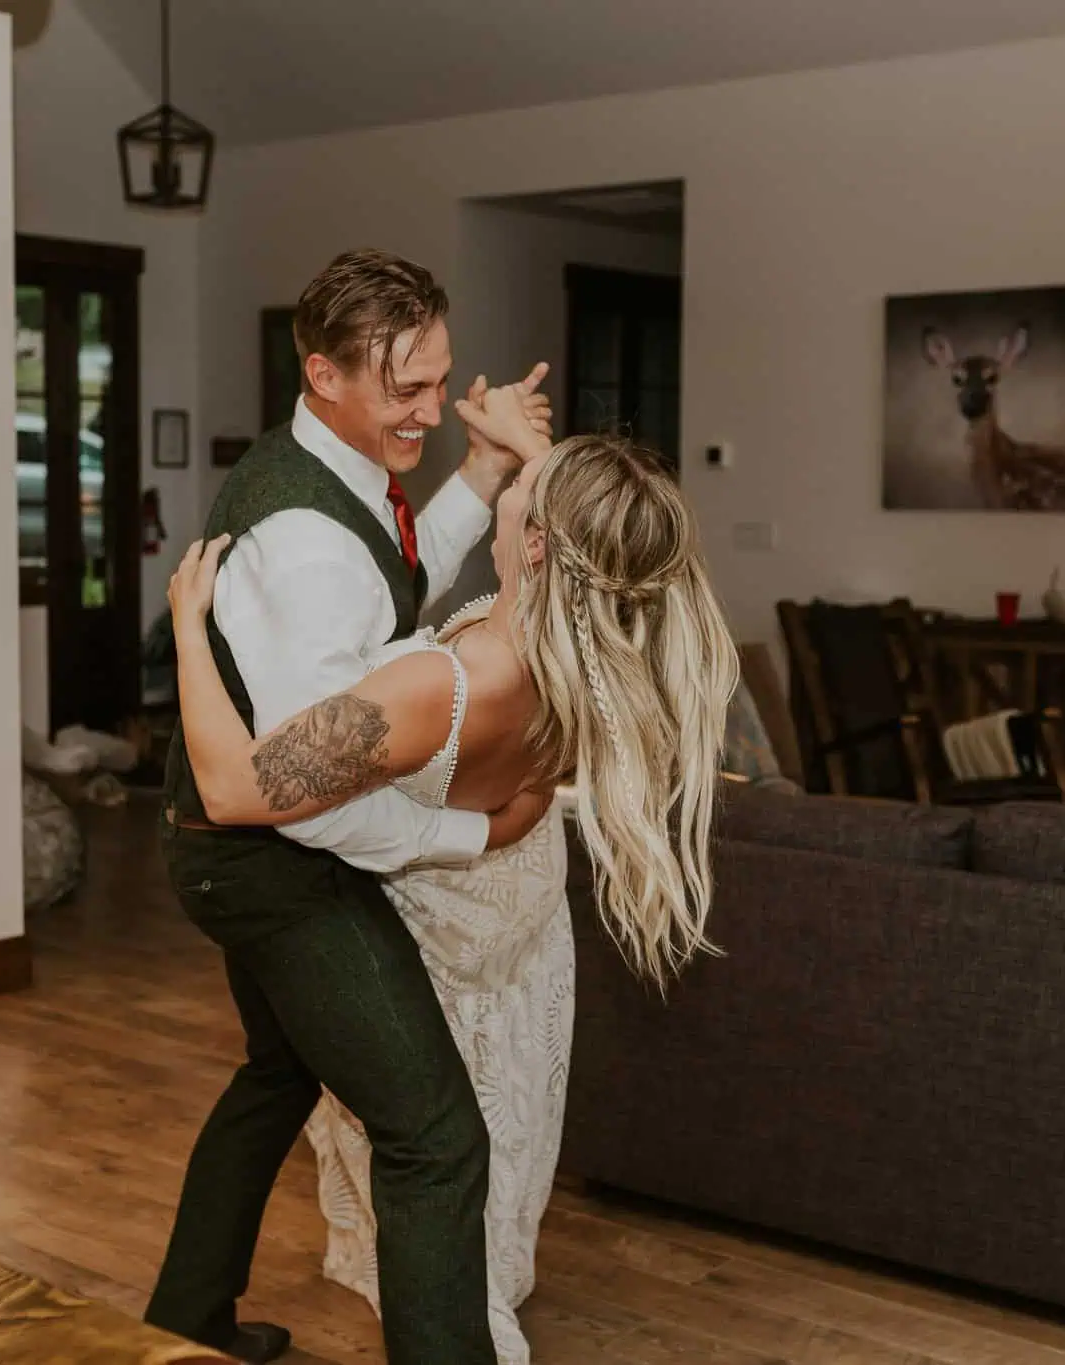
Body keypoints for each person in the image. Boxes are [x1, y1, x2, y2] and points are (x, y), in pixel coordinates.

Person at [165, 382, 740, 1364]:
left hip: (432, 907)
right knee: (314, 1082)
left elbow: (231, 787)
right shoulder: (597, 652)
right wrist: (503, 448)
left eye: (523, 492)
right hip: (513, 909)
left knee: (433, 1145)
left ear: (537, 547)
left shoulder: (442, 686)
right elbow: (584, 512)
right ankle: (193, 1312)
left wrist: (188, 628)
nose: (512, 488)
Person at [145, 248, 556, 1365]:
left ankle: (185, 1321)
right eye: (403, 388)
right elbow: (310, 805)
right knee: (434, 1135)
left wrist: (480, 469)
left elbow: (392, 594)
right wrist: (476, 833)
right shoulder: (305, 543)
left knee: (279, 1072)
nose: (428, 407)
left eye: (439, 379)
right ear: (322, 373)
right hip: (270, 862)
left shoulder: (332, 470)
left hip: (239, 840)